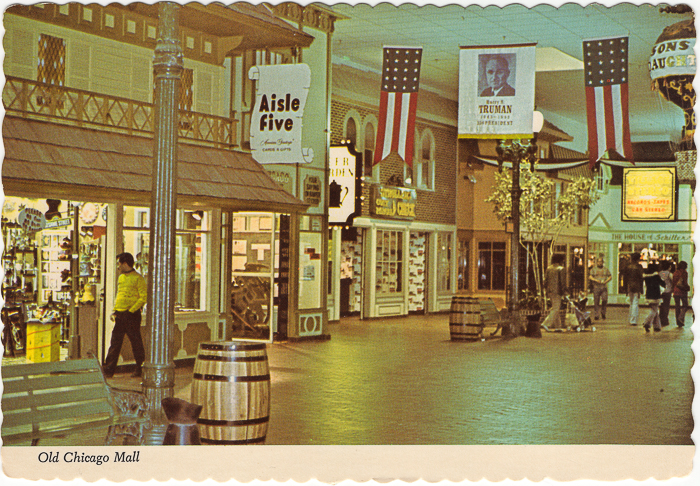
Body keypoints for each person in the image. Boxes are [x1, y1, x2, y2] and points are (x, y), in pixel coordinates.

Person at [103, 252, 147, 378]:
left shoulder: (138, 278)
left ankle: (140, 368)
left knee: (136, 343)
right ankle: (108, 369)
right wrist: (115, 310)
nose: (118, 266)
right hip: (121, 314)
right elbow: (120, 295)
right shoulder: (121, 277)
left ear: (125, 263)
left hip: (131, 315)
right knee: (115, 343)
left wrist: (131, 310)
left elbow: (143, 298)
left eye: (119, 263)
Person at [543, 254, 566, 330]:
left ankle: (558, 327)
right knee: (556, 309)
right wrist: (564, 292)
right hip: (557, 291)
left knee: (556, 308)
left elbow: (545, 281)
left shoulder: (549, 268)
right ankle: (546, 323)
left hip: (550, 291)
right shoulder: (561, 269)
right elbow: (562, 282)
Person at [642, 263, 664, 333]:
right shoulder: (656, 275)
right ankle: (647, 322)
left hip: (648, 293)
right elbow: (662, 283)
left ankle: (657, 326)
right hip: (656, 294)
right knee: (654, 311)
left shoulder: (646, 276)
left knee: (655, 310)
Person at [589, 256, 612, 320]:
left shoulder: (605, 269)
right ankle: (596, 314)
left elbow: (610, 276)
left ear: (603, 262)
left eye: (601, 262)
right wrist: (596, 280)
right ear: (597, 262)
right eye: (598, 261)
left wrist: (605, 281)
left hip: (603, 287)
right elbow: (590, 277)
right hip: (596, 287)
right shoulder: (593, 269)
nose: (600, 263)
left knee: (604, 300)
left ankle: (603, 312)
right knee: (596, 301)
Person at [624, 252, 644, 326]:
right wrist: (642, 289)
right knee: (635, 302)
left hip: (629, 285)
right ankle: (633, 320)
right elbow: (641, 278)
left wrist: (625, 288)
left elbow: (625, 278)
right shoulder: (639, 267)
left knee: (631, 302)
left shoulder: (627, 266)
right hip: (637, 286)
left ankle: (631, 319)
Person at [672, 261, 690, 328]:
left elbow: (673, 282)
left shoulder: (675, 272)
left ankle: (678, 322)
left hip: (676, 291)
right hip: (682, 291)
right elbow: (685, 282)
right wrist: (687, 287)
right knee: (685, 305)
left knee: (677, 307)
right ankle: (681, 317)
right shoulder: (684, 273)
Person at [658, 260, 673, 328]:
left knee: (661, 306)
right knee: (666, 306)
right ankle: (665, 320)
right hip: (668, 291)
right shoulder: (669, 274)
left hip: (661, 291)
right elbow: (673, 281)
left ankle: (660, 319)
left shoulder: (660, 273)